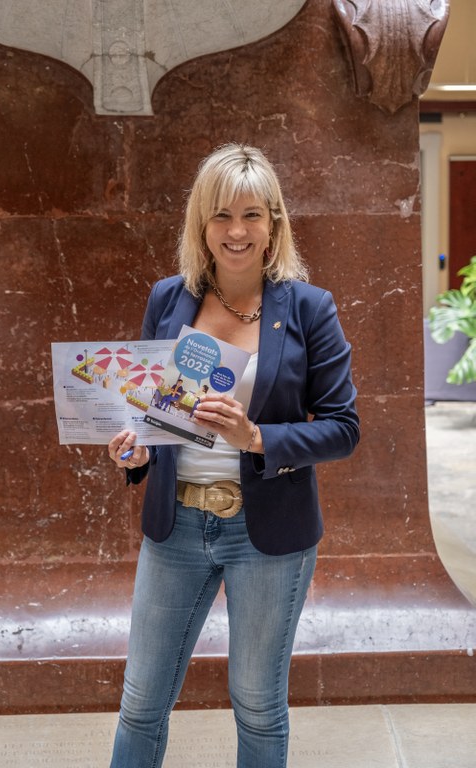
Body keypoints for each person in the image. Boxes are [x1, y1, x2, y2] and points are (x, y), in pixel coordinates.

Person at [107, 143, 359, 768]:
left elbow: (343, 427)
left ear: (274, 224)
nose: (236, 231)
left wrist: (258, 438)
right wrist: (135, 452)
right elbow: (151, 412)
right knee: (140, 702)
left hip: (266, 534)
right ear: (202, 223)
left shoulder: (310, 308)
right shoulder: (169, 299)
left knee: (257, 704)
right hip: (175, 526)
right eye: (221, 215)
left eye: (251, 215)